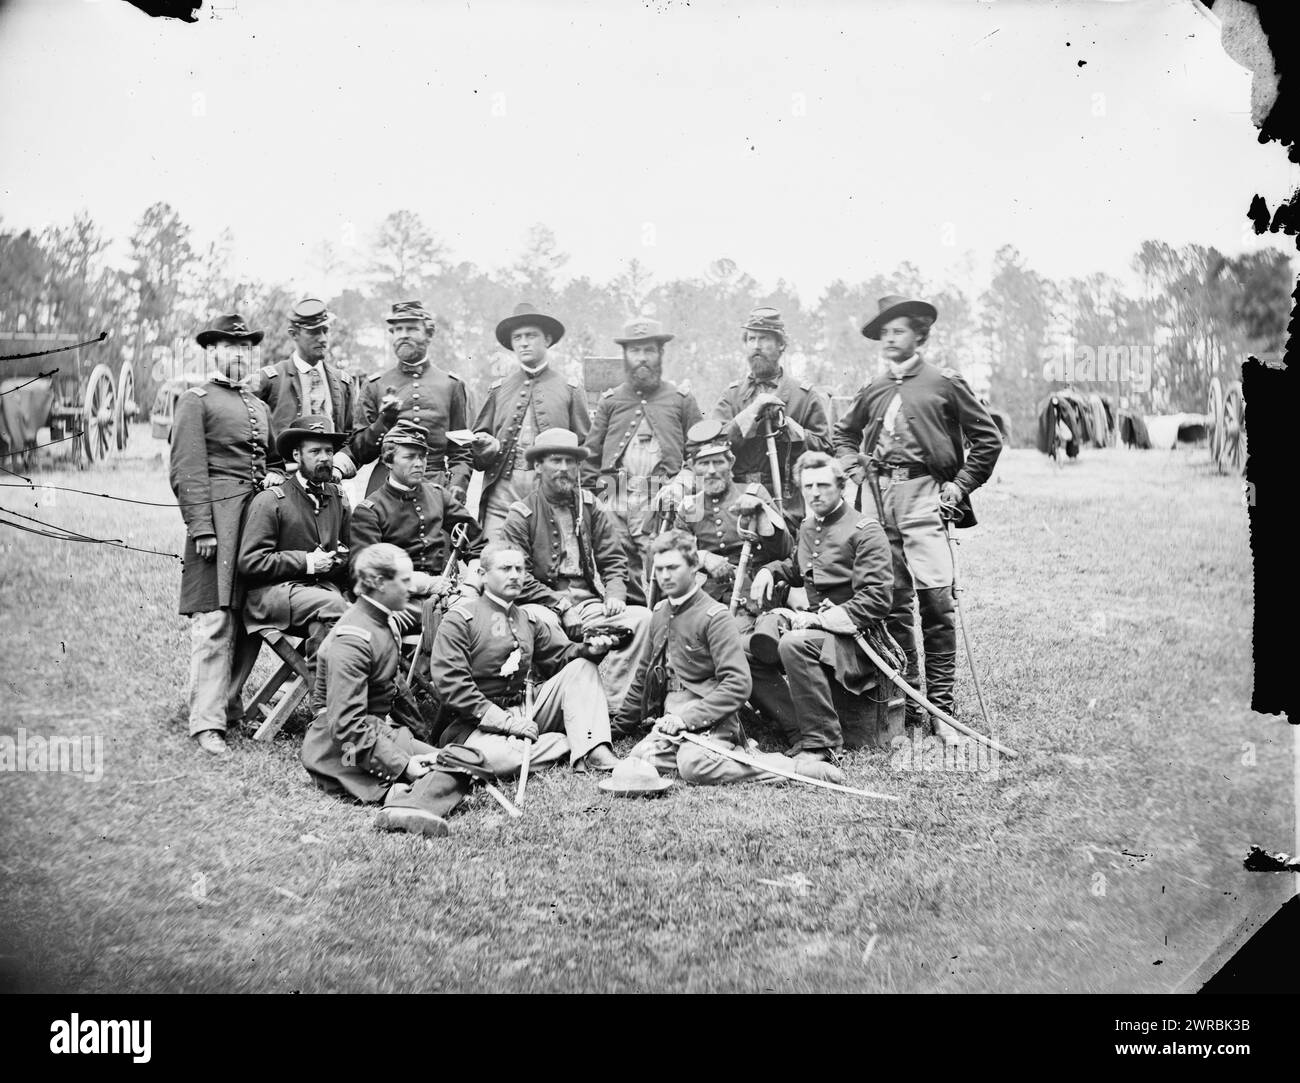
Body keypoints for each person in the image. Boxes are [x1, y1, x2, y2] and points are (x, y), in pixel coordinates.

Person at [831, 295, 1003, 742]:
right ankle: (908, 706)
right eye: (884, 332)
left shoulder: (944, 383)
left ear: (920, 335)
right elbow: (843, 435)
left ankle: (941, 714)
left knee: (936, 603)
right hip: (876, 498)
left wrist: (960, 485)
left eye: (898, 330)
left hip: (926, 496)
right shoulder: (873, 388)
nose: (890, 338)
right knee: (891, 603)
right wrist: (854, 466)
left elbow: (988, 439)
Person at [619, 532, 816, 785]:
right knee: (641, 757)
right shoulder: (659, 613)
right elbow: (643, 678)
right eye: (659, 569)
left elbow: (738, 685)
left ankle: (793, 770)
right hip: (671, 719)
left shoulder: (715, 616)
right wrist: (616, 729)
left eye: (673, 567)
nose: (665, 576)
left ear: (693, 568)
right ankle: (719, 756)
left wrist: (686, 720)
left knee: (693, 766)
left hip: (712, 718)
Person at [301, 543, 470, 837]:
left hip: (373, 733)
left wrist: (413, 744)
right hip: (341, 750)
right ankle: (405, 803)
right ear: (379, 583)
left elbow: (392, 692)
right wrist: (403, 764)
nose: (411, 588)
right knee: (452, 770)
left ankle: (403, 797)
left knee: (460, 762)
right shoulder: (353, 638)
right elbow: (346, 725)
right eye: (404, 581)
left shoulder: (380, 621)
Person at [750, 452, 895, 782]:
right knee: (751, 647)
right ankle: (798, 729)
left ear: (841, 486)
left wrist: (821, 621)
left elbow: (876, 600)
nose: (815, 493)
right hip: (819, 631)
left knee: (793, 645)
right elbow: (795, 567)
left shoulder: (864, 530)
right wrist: (769, 571)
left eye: (823, 485)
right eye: (808, 486)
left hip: (858, 639)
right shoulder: (808, 525)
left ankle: (823, 744)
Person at [169, 313, 274, 755]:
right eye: (230, 347)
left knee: (250, 618)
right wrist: (201, 527)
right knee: (214, 621)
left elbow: (266, 463)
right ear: (212, 351)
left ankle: (229, 705)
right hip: (217, 524)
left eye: (246, 347)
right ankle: (206, 722)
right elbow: (185, 469)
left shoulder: (258, 405)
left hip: (254, 526)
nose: (239, 354)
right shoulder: (196, 400)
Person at [497, 427, 651, 716]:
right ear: (538, 466)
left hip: (589, 602)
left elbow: (613, 557)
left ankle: (613, 704)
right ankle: (562, 701)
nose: (564, 469)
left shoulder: (591, 505)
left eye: (571, 462)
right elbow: (519, 577)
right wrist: (561, 604)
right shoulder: (521, 514)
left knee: (641, 619)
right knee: (542, 623)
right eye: (556, 461)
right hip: (541, 604)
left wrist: (616, 593)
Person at [431, 543, 621, 774]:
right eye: (506, 569)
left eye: (519, 570)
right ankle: (564, 742)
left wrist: (591, 651)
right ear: (482, 575)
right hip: (474, 723)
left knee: (582, 667)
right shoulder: (460, 619)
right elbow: (452, 685)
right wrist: (507, 723)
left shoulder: (527, 619)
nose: (514, 576)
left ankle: (594, 749)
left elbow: (562, 658)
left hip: (527, 709)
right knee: (495, 759)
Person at [581, 316, 701, 604]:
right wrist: (593, 501)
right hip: (615, 493)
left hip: (662, 494)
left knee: (659, 566)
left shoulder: (681, 399)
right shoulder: (610, 402)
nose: (642, 359)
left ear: (661, 354)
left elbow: (698, 455)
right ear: (625, 356)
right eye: (635, 352)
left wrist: (681, 485)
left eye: (649, 351)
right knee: (617, 564)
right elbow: (590, 458)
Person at [237, 415, 352, 664]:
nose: (324, 458)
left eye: (329, 451)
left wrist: (342, 562)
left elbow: (347, 553)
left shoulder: (338, 497)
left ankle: (333, 694)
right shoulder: (271, 500)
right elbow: (250, 562)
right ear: (297, 455)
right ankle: (327, 694)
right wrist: (308, 562)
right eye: (315, 451)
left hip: (322, 594)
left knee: (359, 612)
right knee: (334, 607)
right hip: (273, 596)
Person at [350, 419, 482, 632]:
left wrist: (472, 584)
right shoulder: (370, 510)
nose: (419, 463)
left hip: (446, 597)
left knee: (482, 624)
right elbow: (364, 572)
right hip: (397, 603)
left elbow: (476, 538)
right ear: (389, 461)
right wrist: (424, 583)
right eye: (410, 457)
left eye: (422, 456)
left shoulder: (438, 495)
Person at [470, 302, 590, 537]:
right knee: (495, 558)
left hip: (550, 492)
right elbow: (475, 452)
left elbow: (585, 447)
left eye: (531, 335)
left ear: (547, 339)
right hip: (502, 494)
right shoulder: (498, 389)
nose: (523, 342)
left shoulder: (570, 389)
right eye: (517, 337)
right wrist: (485, 446)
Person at [711, 306, 832, 525]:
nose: (756, 346)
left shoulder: (803, 396)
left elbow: (825, 449)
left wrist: (789, 428)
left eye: (764, 338)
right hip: (738, 499)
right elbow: (714, 448)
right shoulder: (732, 395)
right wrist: (750, 414)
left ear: (781, 344)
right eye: (751, 338)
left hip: (788, 501)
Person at [355, 300, 473, 499]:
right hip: (385, 489)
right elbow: (360, 451)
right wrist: (382, 423)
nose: (403, 335)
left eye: (411, 328)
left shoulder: (451, 385)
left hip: (435, 487)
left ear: (428, 334)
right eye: (397, 329)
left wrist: (456, 485)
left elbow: (461, 451)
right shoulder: (375, 385)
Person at [249, 298, 366, 479]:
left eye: (326, 330)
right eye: (314, 332)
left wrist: (339, 467)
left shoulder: (343, 383)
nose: (323, 338)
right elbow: (253, 435)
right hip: (284, 484)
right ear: (294, 333)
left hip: (330, 481)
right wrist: (272, 471)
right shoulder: (270, 380)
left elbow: (351, 438)